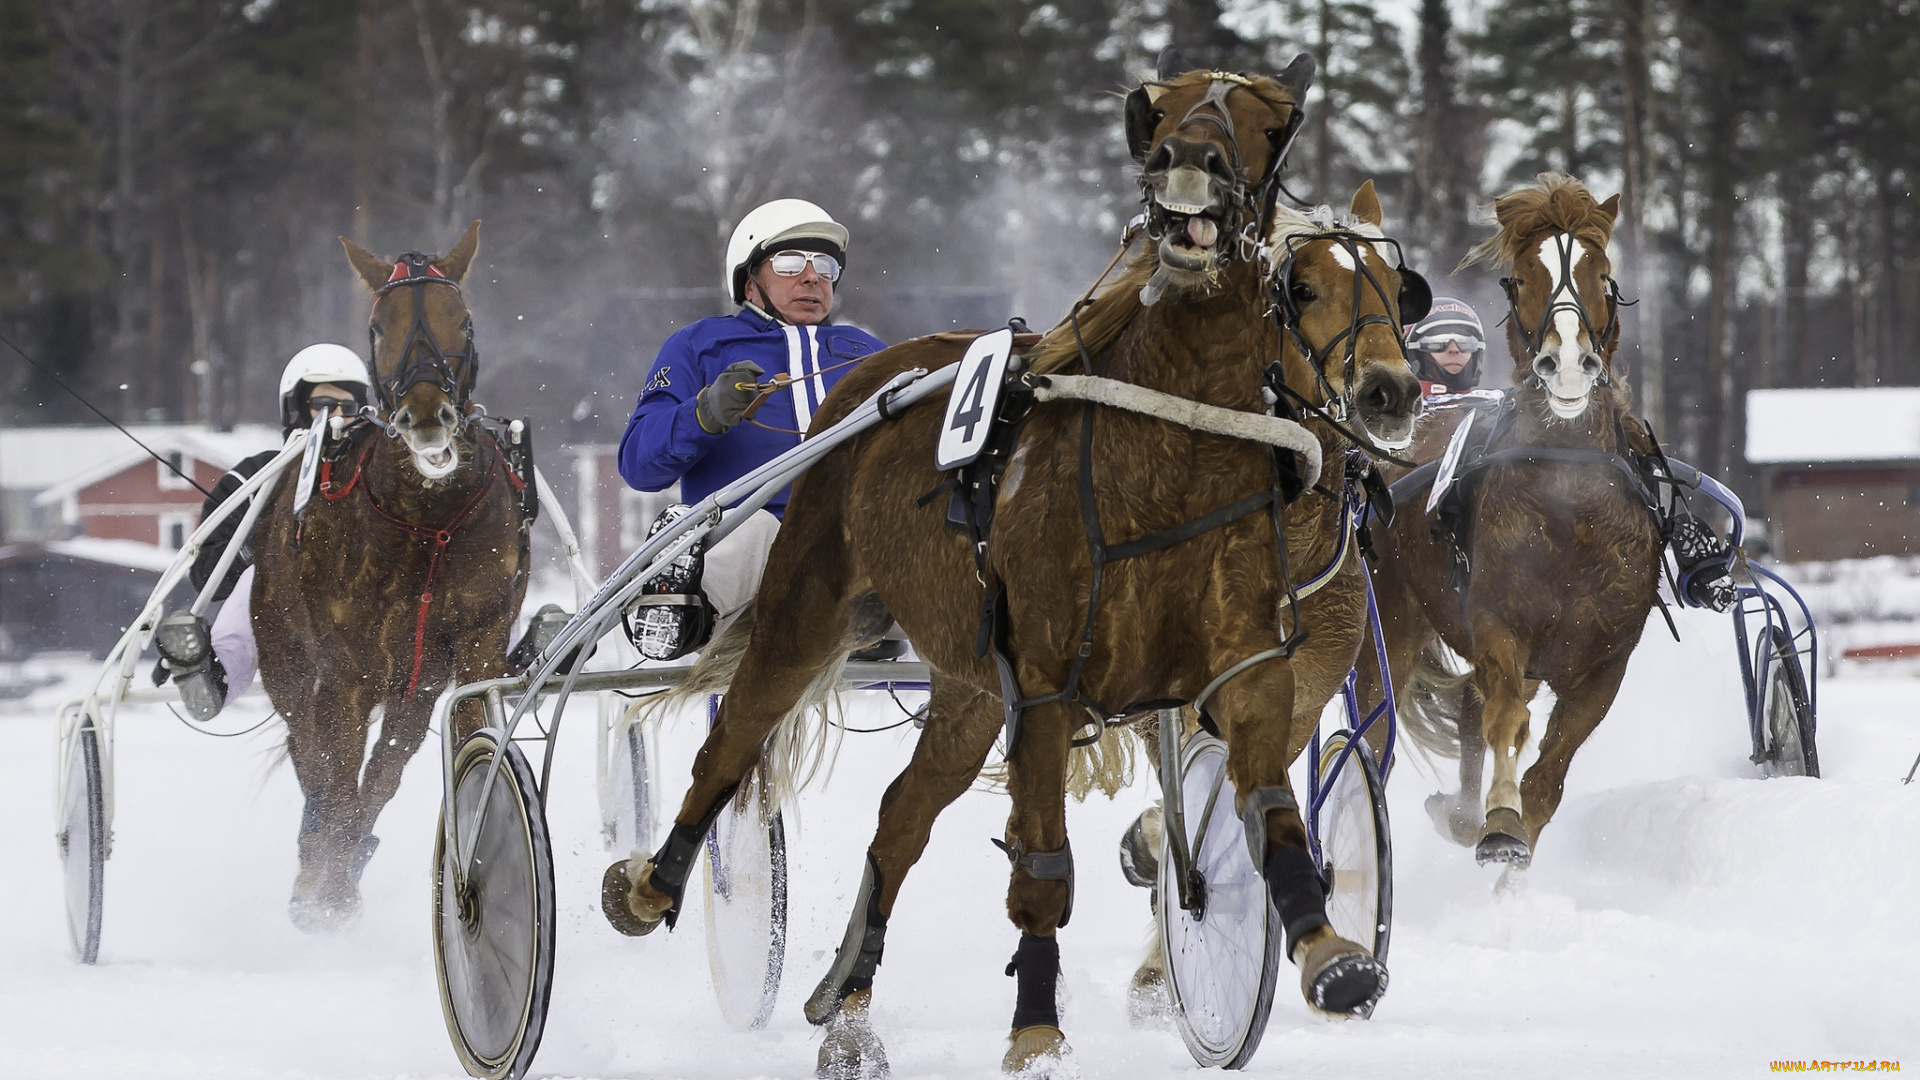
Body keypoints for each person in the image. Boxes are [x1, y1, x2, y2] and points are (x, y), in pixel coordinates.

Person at [617, 199, 887, 661]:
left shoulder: (868, 352)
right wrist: (702, 414)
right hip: (753, 545)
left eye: (825, 266)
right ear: (749, 282)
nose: (812, 277)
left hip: (858, 542)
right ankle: (680, 608)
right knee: (756, 527)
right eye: (790, 263)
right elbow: (639, 466)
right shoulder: (700, 345)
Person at [153, 344, 372, 720]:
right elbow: (206, 572)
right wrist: (261, 547)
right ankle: (213, 676)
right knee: (260, 578)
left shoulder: (378, 478)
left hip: (365, 606)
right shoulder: (256, 476)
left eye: (347, 407)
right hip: (287, 611)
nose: (336, 416)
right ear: (297, 408)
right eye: (323, 405)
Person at [1406, 296, 1485, 395]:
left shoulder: (1495, 402)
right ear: (1415, 353)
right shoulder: (1397, 404)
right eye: (1438, 342)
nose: (1454, 349)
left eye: (1464, 342)